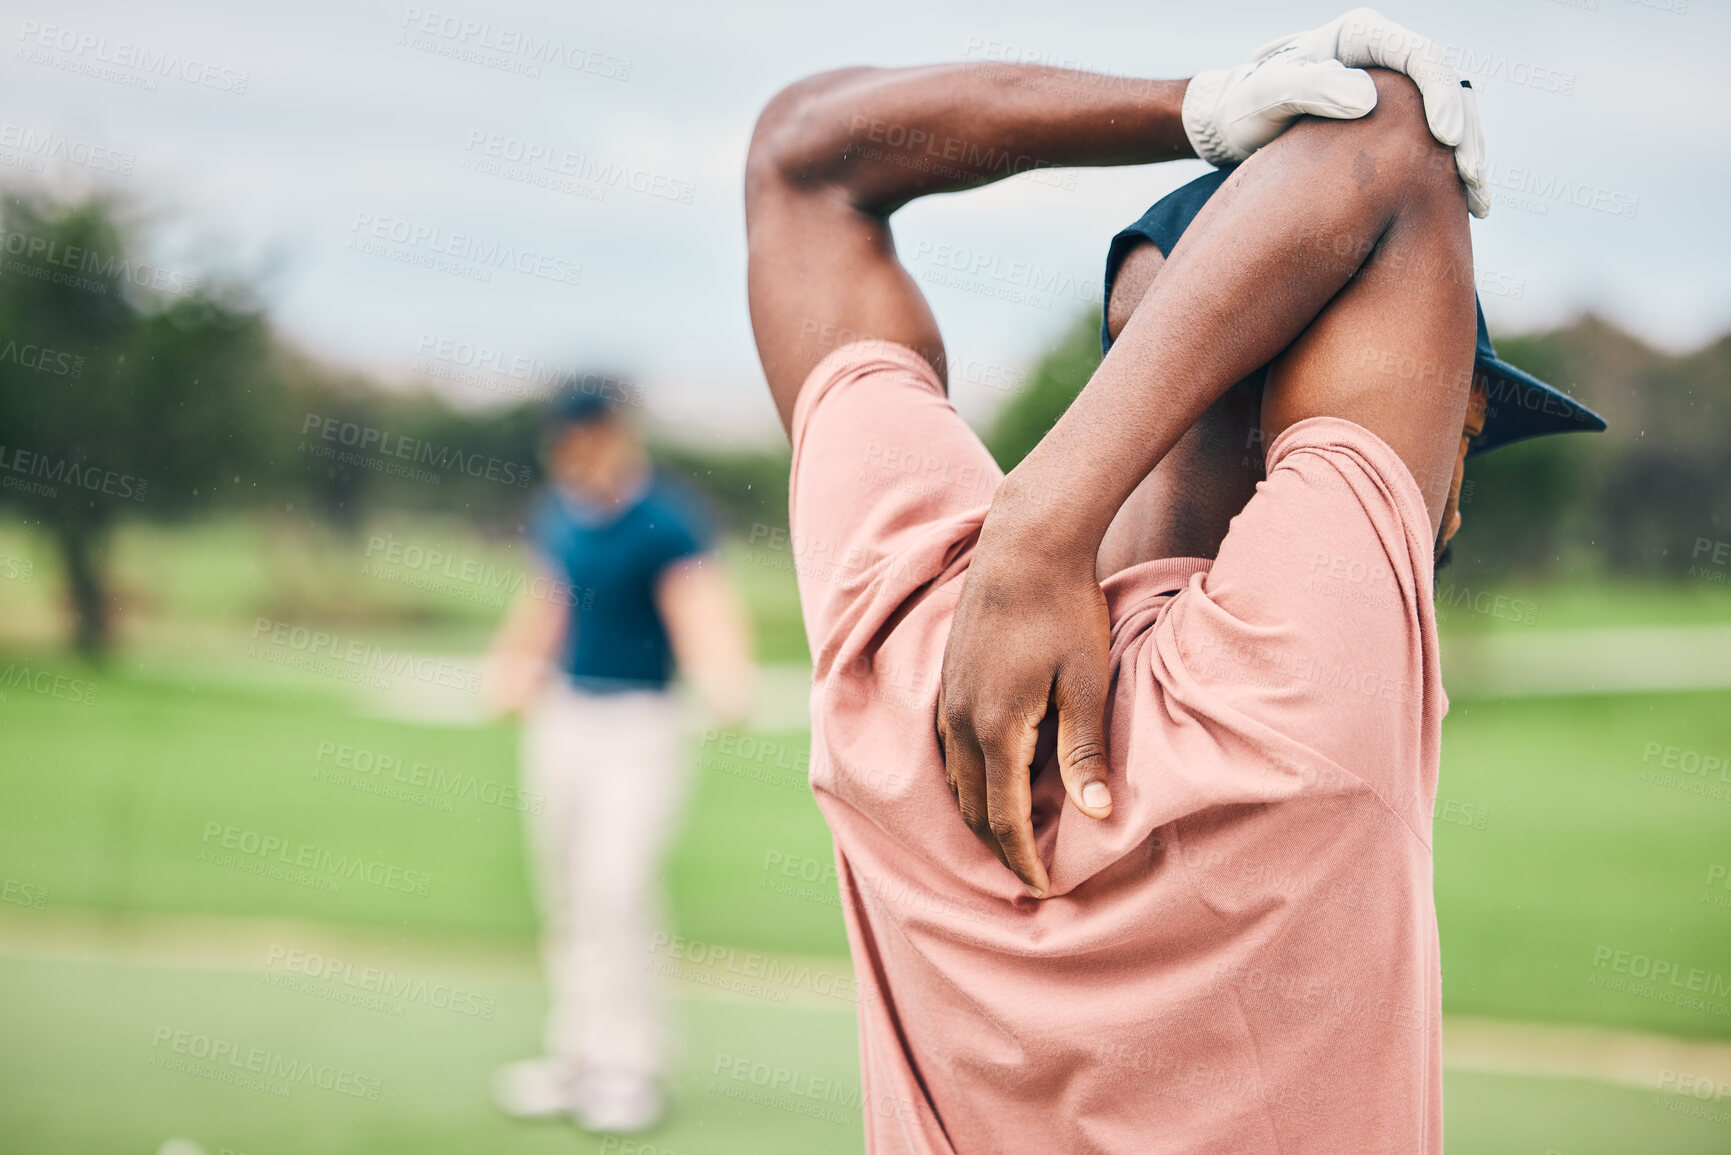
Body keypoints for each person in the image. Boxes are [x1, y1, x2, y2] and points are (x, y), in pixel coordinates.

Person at [744, 9, 1602, 1153]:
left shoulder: (902, 624)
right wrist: (1040, 524)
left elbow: (801, 161)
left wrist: (1192, 104)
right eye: (1459, 413)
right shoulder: (1304, 688)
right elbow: (1392, 133)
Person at [484, 387, 755, 1133]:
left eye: (589, 441)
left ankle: (631, 1065)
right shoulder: (560, 514)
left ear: (617, 435)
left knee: (616, 886)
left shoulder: (666, 518)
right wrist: (511, 665)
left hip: (641, 725)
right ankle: (575, 1054)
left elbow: (698, 603)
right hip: (565, 719)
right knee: (566, 887)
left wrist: (724, 676)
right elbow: (549, 599)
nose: (577, 457)